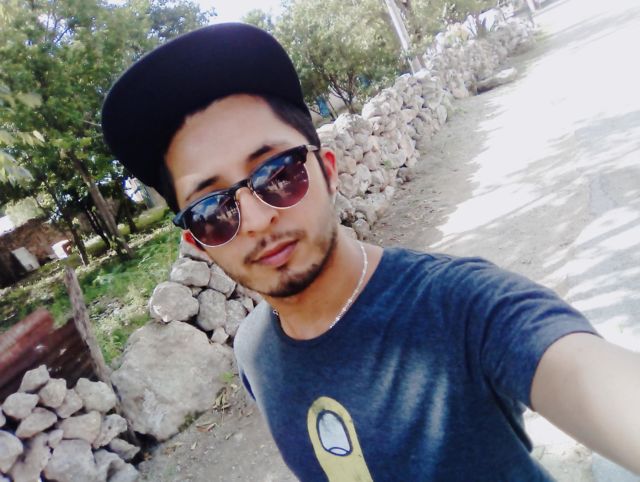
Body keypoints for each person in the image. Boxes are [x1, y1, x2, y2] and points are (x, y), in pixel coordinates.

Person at [101, 23, 640, 481]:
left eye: (278, 173)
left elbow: (588, 378)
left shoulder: (463, 308)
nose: (259, 219)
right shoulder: (253, 352)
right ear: (197, 241)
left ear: (327, 171)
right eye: (212, 209)